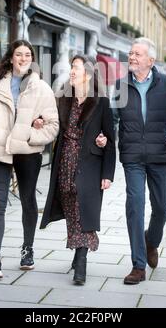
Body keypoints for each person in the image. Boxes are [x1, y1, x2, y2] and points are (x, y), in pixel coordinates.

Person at [0, 40, 59, 279]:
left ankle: (27, 248)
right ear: (11, 58)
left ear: (32, 59)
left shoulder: (41, 88)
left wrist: (31, 134)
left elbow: (53, 126)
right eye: (18, 54)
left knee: (27, 199)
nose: (23, 58)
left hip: (27, 152)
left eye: (27, 54)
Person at [117, 37, 166, 285]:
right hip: (133, 157)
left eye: (137, 54)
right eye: (130, 53)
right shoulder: (120, 86)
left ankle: (151, 241)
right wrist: (102, 137)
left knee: (162, 207)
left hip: (160, 155)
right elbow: (111, 119)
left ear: (151, 60)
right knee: (135, 207)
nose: (132, 57)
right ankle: (138, 265)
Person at [40, 55, 116, 285]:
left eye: (76, 67)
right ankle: (79, 249)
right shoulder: (63, 98)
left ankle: (81, 261)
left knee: (84, 209)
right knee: (72, 208)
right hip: (65, 164)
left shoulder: (101, 102)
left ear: (89, 74)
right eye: (71, 67)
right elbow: (52, 121)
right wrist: (40, 121)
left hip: (90, 167)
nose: (71, 71)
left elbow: (111, 140)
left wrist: (107, 174)